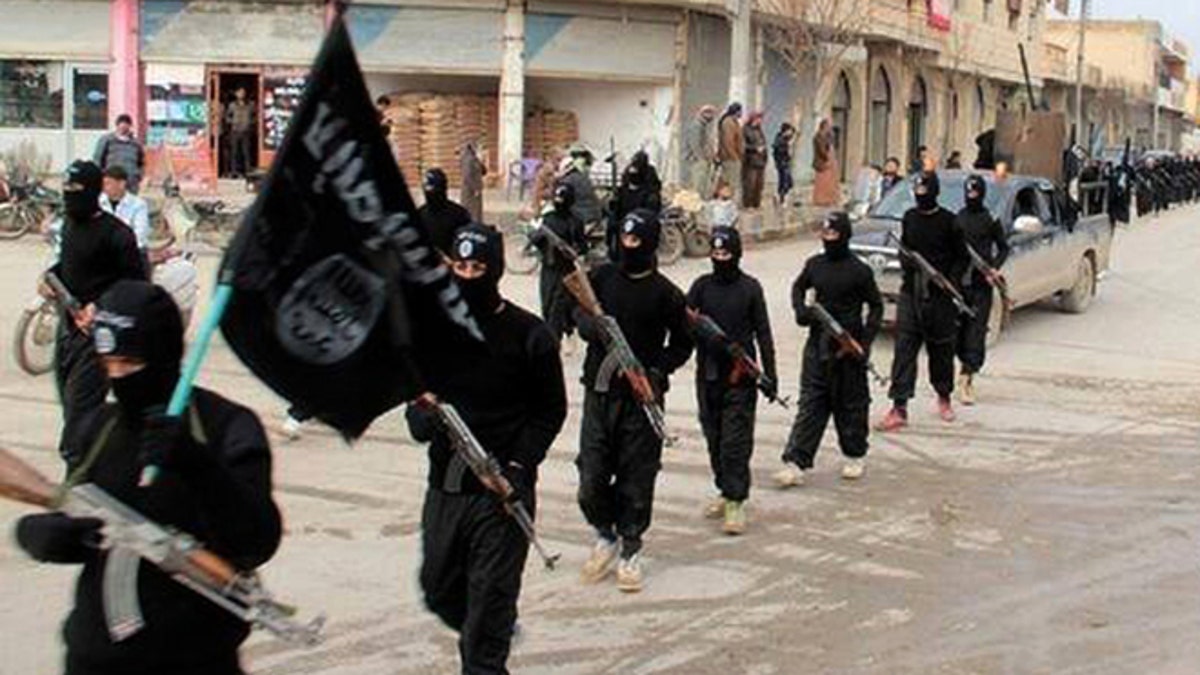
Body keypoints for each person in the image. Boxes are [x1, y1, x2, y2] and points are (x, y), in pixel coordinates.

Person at [15, 279, 282, 675]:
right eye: (109, 365)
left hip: (195, 658)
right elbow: (80, 509)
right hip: (95, 655)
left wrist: (198, 464)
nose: (119, 377)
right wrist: (46, 534)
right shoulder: (98, 427)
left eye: (131, 364)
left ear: (165, 354)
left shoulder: (226, 426)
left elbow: (256, 541)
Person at [406, 224, 567, 675]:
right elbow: (416, 406)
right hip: (446, 490)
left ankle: (490, 634)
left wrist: (519, 464)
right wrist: (421, 416)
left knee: (482, 637)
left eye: (478, 267)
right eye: (460, 266)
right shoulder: (435, 332)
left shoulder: (529, 335)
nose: (468, 275)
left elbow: (550, 411)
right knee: (437, 589)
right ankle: (491, 624)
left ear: (494, 270)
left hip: (501, 495)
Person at [574, 209, 694, 593]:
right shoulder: (602, 277)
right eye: (624, 239)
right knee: (591, 475)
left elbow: (683, 343)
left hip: (641, 402)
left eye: (636, 240)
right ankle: (604, 533)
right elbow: (576, 306)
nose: (629, 246)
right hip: (599, 392)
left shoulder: (667, 294)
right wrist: (588, 325)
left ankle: (630, 546)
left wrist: (656, 371)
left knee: (636, 478)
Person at [48, 160, 145, 466]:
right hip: (67, 336)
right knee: (71, 412)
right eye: (66, 191)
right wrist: (49, 279)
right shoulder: (69, 225)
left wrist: (100, 306)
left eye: (76, 191)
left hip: (99, 340)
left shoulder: (118, 235)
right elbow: (67, 269)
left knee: (78, 425)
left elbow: (137, 288)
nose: (69, 198)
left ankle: (77, 485)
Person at [776, 212, 882, 486]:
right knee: (811, 402)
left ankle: (854, 455)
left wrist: (865, 342)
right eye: (825, 234)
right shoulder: (815, 264)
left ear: (845, 236)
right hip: (817, 345)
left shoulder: (860, 270)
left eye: (834, 234)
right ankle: (796, 461)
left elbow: (876, 306)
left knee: (851, 405)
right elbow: (798, 288)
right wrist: (803, 312)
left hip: (849, 348)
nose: (829, 239)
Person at [687, 226, 776, 534]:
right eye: (715, 253)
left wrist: (769, 374)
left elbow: (763, 332)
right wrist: (707, 339)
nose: (720, 258)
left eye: (725, 253)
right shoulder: (701, 286)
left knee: (735, 443)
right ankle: (725, 491)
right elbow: (687, 322)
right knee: (714, 439)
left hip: (741, 377)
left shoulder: (750, 288)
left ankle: (736, 501)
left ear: (737, 254)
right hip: (708, 375)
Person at [877, 171, 970, 432]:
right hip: (911, 293)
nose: (921, 199)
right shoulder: (910, 218)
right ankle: (899, 407)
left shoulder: (949, 222)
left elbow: (963, 258)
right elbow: (904, 250)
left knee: (941, 350)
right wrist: (911, 263)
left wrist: (948, 281)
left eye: (924, 194)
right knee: (904, 350)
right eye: (917, 194)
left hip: (940, 298)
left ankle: (944, 397)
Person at [954, 175, 1009, 406]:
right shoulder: (957, 219)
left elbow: (1003, 248)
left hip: (981, 285)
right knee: (958, 333)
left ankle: (967, 378)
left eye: (975, 192)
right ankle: (961, 369)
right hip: (958, 284)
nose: (971, 196)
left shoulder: (990, 219)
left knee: (976, 334)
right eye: (969, 192)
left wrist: (994, 269)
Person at [531, 183, 588, 342]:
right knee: (547, 306)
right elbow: (535, 239)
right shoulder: (548, 219)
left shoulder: (575, 221)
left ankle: (555, 340)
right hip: (548, 270)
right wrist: (541, 237)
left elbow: (583, 246)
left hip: (566, 271)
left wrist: (572, 250)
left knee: (559, 308)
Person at [99, 165, 151, 266]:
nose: (105, 188)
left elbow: (140, 235)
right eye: (103, 184)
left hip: (130, 254)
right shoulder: (98, 203)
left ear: (122, 184)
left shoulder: (138, 205)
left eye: (108, 184)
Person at [418, 168, 473, 257]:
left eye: (436, 192)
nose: (432, 196)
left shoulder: (459, 214)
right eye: (428, 192)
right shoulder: (420, 214)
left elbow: (467, 245)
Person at [92, 114, 145, 194]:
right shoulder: (107, 140)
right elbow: (98, 158)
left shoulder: (136, 144)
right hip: (112, 179)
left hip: (130, 182)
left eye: (126, 126)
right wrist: (100, 175)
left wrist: (138, 176)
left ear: (130, 126)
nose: (123, 129)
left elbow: (141, 162)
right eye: (121, 126)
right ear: (117, 126)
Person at [614, 150, 663, 222]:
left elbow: (655, 186)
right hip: (629, 199)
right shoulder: (629, 169)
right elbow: (625, 182)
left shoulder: (650, 171)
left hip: (644, 200)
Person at [559, 146, 602, 226]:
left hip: (579, 219)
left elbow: (562, 205)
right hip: (591, 217)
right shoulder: (584, 178)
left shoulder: (570, 180)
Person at [685, 105, 718, 196]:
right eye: (711, 114)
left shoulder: (703, 125)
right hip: (698, 160)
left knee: (704, 184)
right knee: (699, 184)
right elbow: (695, 144)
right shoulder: (697, 126)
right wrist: (701, 158)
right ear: (705, 114)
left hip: (703, 159)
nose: (712, 117)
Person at [717, 103, 745, 204]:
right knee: (732, 181)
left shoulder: (734, 122)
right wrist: (735, 157)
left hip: (734, 156)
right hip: (730, 157)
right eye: (741, 111)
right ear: (737, 111)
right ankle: (730, 203)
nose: (742, 113)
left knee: (728, 179)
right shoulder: (728, 122)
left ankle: (727, 202)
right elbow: (728, 141)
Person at [225, 88, 256, 179]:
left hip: (246, 131)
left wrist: (250, 123)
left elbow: (255, 116)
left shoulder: (250, 105)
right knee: (234, 152)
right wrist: (233, 122)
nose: (241, 94)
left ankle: (247, 172)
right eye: (239, 92)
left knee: (246, 152)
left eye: (243, 92)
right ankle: (234, 171)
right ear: (236, 94)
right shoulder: (232, 105)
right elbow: (227, 117)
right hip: (235, 131)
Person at [741, 112, 768, 209]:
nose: (760, 121)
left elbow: (764, 144)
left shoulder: (759, 130)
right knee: (750, 184)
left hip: (761, 161)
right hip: (750, 161)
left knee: (759, 184)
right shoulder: (745, 130)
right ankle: (748, 204)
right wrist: (755, 148)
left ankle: (757, 204)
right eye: (758, 119)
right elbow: (743, 146)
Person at [812, 119, 840, 207]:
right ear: (824, 126)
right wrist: (827, 157)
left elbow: (833, 145)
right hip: (822, 162)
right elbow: (821, 150)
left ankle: (829, 199)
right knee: (822, 182)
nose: (829, 128)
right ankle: (821, 199)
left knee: (830, 182)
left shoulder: (827, 136)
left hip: (829, 162)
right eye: (828, 126)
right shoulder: (818, 136)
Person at [460, 141, 487, 223]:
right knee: (472, 211)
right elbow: (467, 175)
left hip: (476, 189)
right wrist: (474, 188)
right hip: (470, 191)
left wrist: (481, 161)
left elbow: (484, 172)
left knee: (477, 211)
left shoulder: (475, 158)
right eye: (480, 149)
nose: (481, 151)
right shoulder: (468, 159)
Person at [772, 123, 797, 204]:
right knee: (784, 181)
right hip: (782, 163)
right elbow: (778, 151)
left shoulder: (785, 138)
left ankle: (781, 197)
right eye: (789, 131)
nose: (791, 133)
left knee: (787, 181)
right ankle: (780, 198)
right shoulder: (780, 140)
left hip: (785, 162)